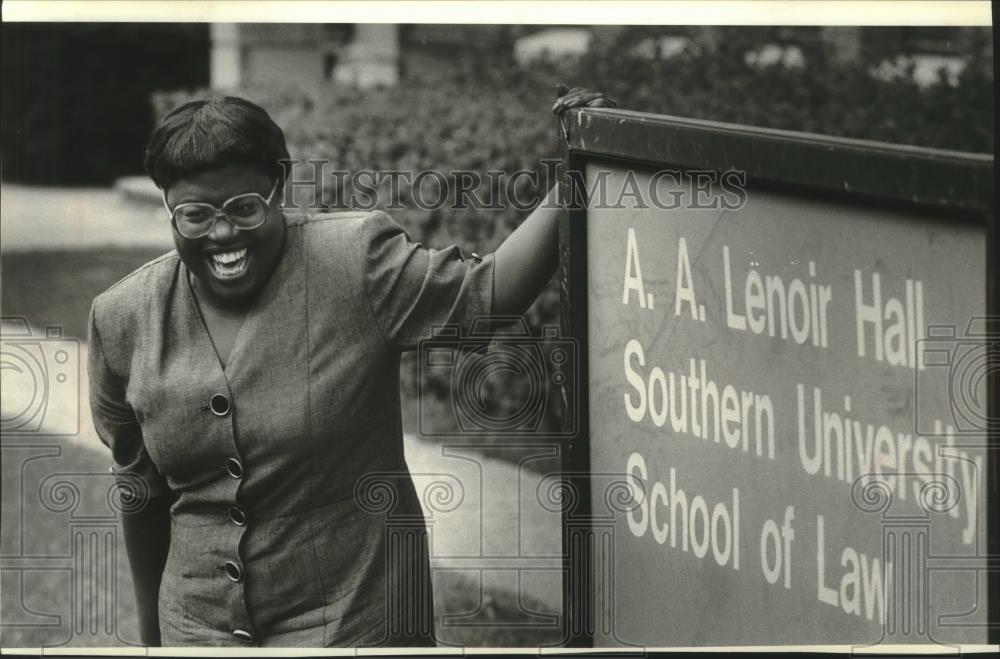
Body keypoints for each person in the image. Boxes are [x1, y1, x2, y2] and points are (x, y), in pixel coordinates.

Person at [87, 86, 615, 648]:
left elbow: (489, 294)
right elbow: (140, 491)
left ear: (279, 186)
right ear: (168, 208)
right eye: (194, 215)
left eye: (244, 208)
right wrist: (153, 640)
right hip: (198, 630)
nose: (222, 235)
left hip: (355, 622)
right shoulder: (123, 319)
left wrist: (579, 170)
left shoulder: (354, 265)